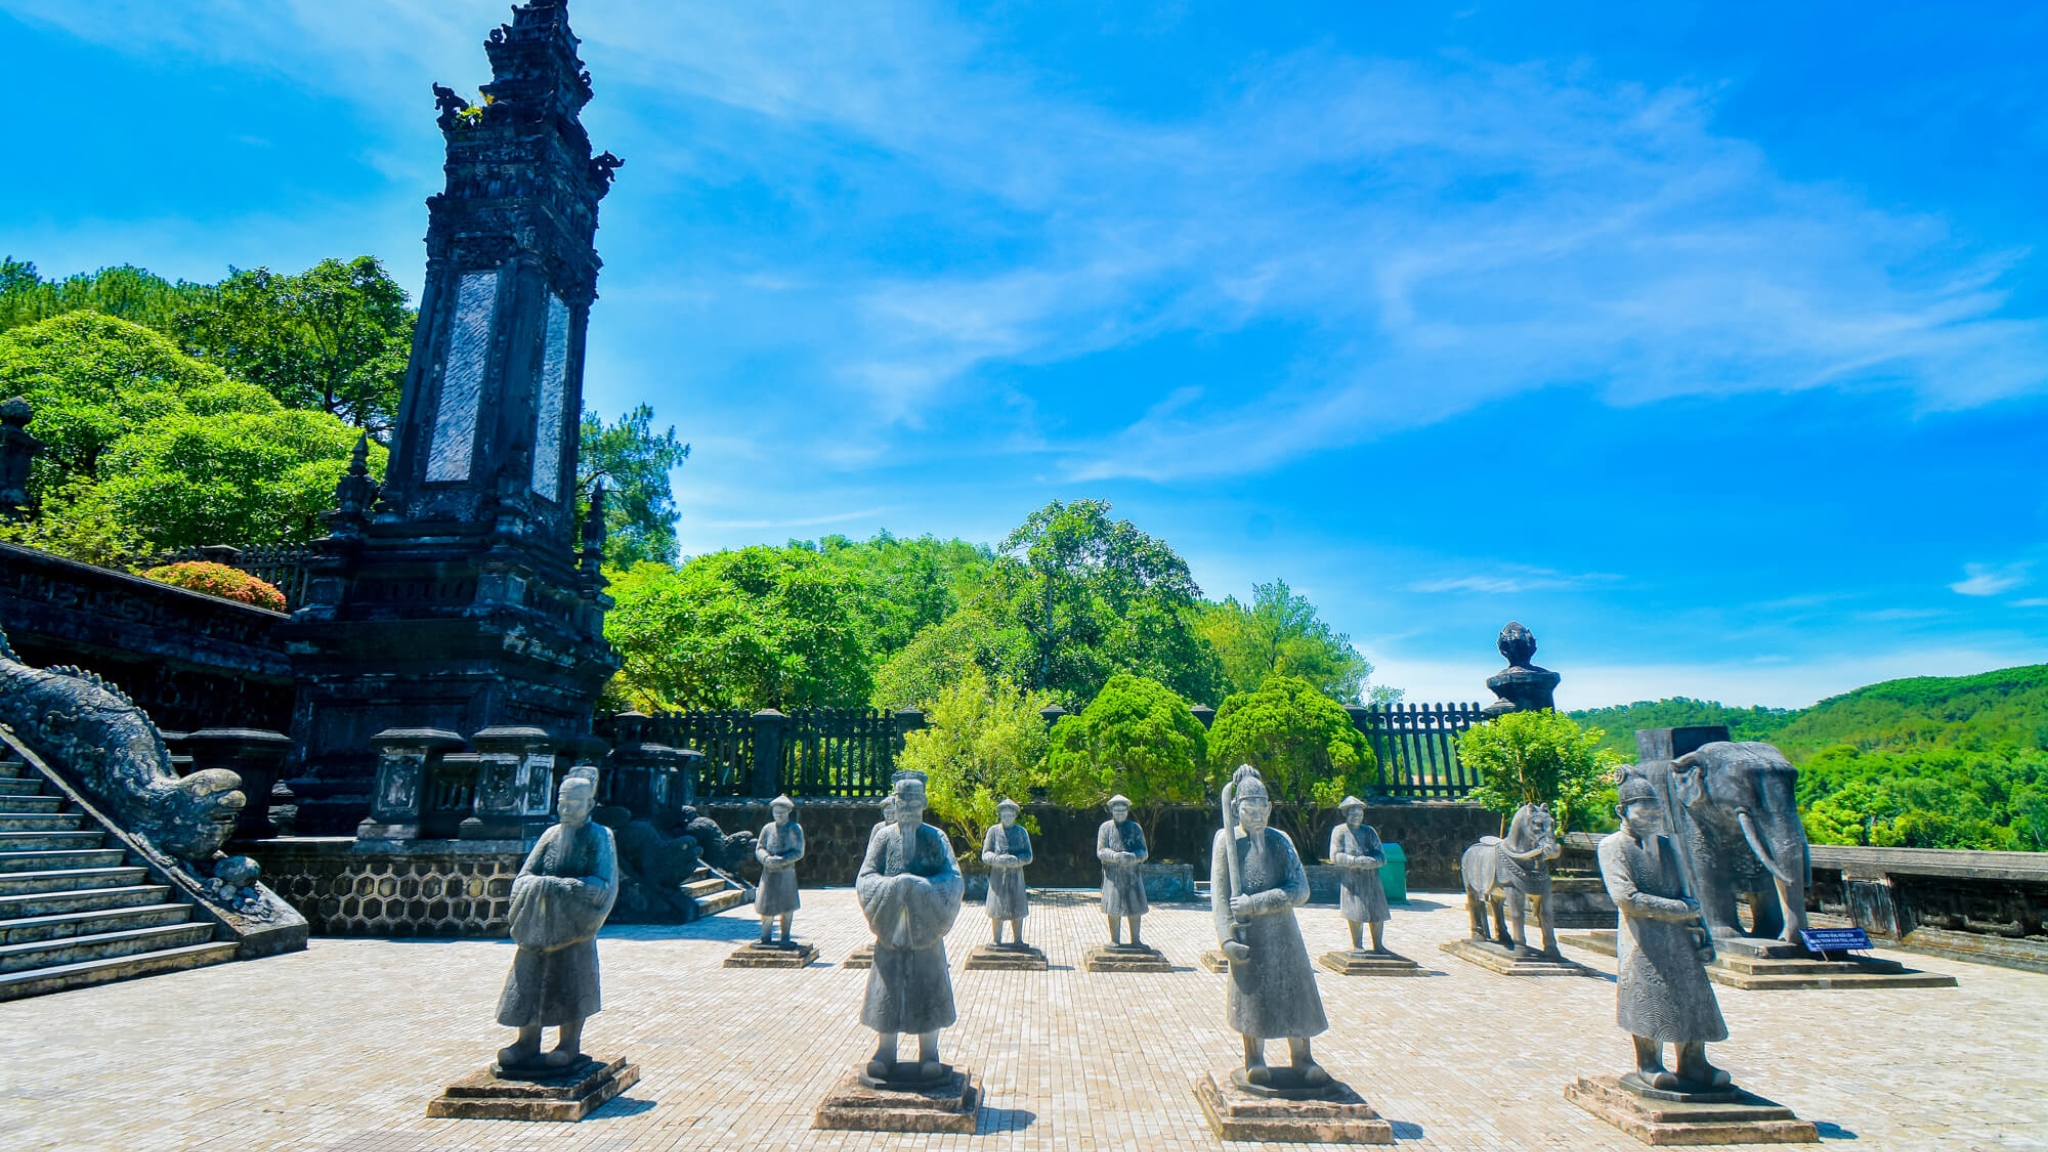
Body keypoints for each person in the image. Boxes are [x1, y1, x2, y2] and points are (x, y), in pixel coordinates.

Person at [1598, 775, 1730, 1093]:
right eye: (1643, 812)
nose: (1652, 819)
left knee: (1692, 996)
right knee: (1646, 997)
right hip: (1640, 937)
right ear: (1622, 811)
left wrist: (1702, 933)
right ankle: (1648, 1062)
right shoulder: (1613, 846)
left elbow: (1689, 892)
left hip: (1679, 936)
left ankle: (1694, 1060)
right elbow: (1625, 898)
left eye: (1656, 812)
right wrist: (1681, 910)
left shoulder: (1670, 846)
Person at [1212, 765, 1329, 1087]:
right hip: (1248, 934)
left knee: (1296, 996)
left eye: (1263, 811)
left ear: (1270, 809)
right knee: (1252, 999)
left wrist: (1257, 902)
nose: (1258, 818)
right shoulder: (1226, 841)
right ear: (1237, 810)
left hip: (1284, 933)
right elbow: (1220, 895)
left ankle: (1303, 1057)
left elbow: (1300, 890)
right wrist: (1225, 940)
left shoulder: (1281, 841)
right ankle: (1254, 1058)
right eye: (1250, 811)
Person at [496, 772, 618, 1071]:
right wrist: (542, 886)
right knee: (528, 981)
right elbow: (524, 878)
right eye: (563, 801)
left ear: (591, 803)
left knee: (572, 980)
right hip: (540, 927)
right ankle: (526, 1042)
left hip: (575, 926)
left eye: (576, 802)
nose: (567, 808)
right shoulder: (550, 835)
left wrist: (569, 888)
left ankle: (569, 1044)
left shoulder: (600, 836)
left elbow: (604, 885)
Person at [856, 774, 964, 1080]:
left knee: (928, 986)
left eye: (914, 802)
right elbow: (865, 878)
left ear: (924, 803)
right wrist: (894, 887)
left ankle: (929, 1053)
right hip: (892, 929)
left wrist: (920, 887)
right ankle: (884, 1052)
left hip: (924, 928)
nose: (908, 808)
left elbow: (953, 879)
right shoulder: (883, 837)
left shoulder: (936, 837)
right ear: (895, 802)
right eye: (902, 801)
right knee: (885, 989)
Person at [1328, 795, 1390, 953]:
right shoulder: (1340, 831)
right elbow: (1335, 855)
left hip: (1371, 878)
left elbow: (1381, 856)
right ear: (1346, 814)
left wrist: (1371, 862)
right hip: (1352, 880)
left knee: (1377, 911)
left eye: (1360, 814)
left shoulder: (1369, 832)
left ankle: (1378, 944)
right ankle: (1357, 944)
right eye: (1353, 814)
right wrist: (1355, 860)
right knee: (1355, 911)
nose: (1357, 817)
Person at [1097, 794, 1149, 946]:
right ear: (1111, 811)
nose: (1119, 813)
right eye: (1116, 810)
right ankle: (1115, 940)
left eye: (1122, 810)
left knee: (1135, 908)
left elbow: (1144, 852)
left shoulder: (1135, 828)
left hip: (1132, 875)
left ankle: (1136, 940)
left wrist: (1132, 857)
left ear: (1127, 810)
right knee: (1113, 908)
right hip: (1113, 875)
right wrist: (1114, 856)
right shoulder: (1105, 828)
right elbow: (1100, 851)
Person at [981, 798, 1033, 946]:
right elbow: (985, 854)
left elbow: (1028, 855)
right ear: (1000, 816)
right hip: (998, 877)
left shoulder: (1021, 832)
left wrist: (1016, 861)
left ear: (1015, 816)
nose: (1007, 818)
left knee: (1017, 908)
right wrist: (998, 859)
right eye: (1004, 815)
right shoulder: (993, 831)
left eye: (1010, 815)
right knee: (996, 909)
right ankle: (996, 940)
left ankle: (1018, 940)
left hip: (1016, 877)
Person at [755, 794, 804, 945]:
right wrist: (766, 859)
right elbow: (759, 847)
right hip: (768, 873)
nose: (778, 815)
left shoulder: (794, 829)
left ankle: (785, 937)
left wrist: (783, 860)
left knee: (787, 906)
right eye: (776, 812)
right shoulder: (767, 828)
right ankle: (765, 936)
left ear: (788, 812)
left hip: (786, 873)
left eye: (781, 813)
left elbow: (799, 851)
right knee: (766, 907)